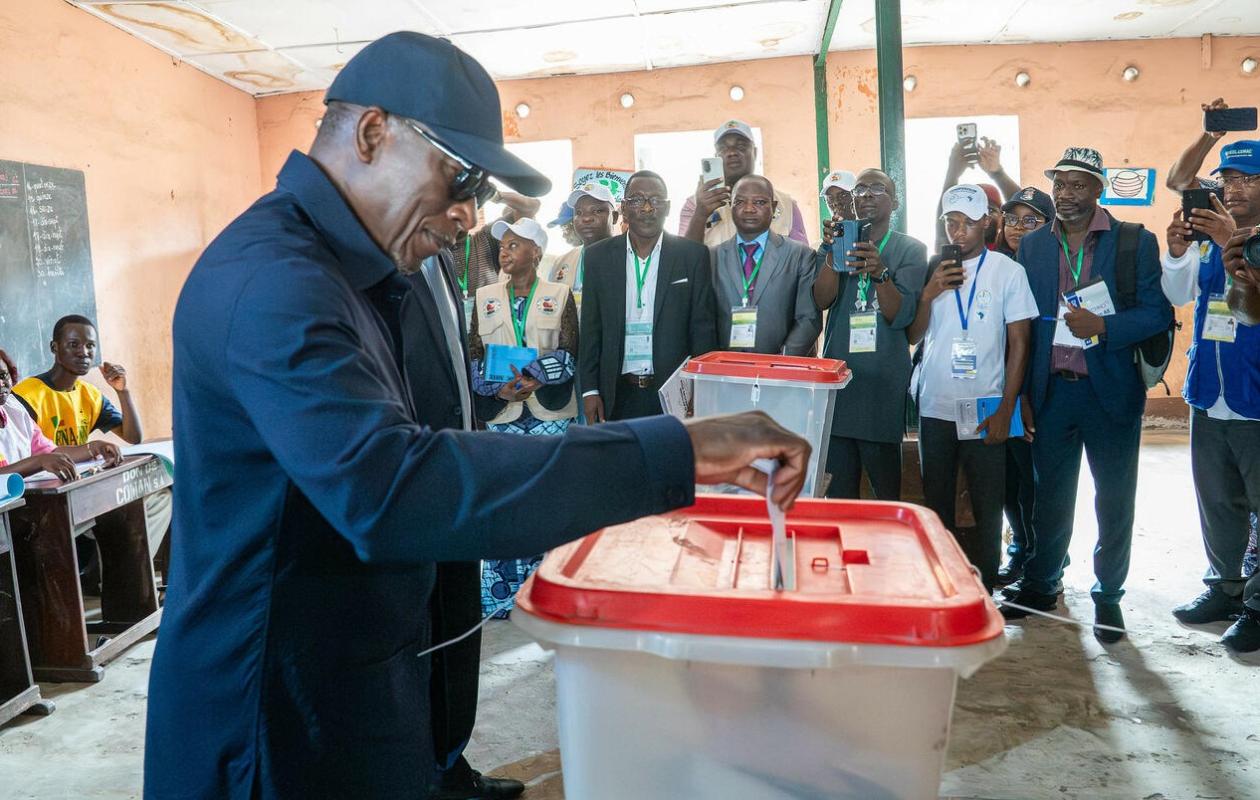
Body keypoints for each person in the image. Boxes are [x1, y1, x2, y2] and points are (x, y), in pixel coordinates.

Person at [143, 33, 809, 800]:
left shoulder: (357, 270)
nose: (470, 216)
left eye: (482, 195)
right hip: (269, 720)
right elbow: (393, 487)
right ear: (372, 134)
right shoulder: (275, 282)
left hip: (352, 684)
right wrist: (680, 450)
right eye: (462, 180)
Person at [1003, 147, 1173, 643]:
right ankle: (1042, 583)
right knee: (1050, 497)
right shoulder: (1033, 247)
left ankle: (1109, 595)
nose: (1067, 194)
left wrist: (1105, 326)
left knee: (1114, 499)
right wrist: (1027, 395)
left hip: (1110, 394)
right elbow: (1028, 325)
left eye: (1078, 185)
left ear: (1098, 190)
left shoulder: (1132, 242)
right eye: (1060, 185)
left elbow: (1157, 314)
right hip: (1054, 391)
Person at [906, 185, 1037, 589]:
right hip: (935, 405)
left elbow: (1020, 344)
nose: (957, 232)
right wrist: (928, 296)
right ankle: (941, 582)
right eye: (951, 223)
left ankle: (983, 585)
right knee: (937, 500)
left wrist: (1005, 410)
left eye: (967, 223)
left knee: (987, 502)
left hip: (986, 407)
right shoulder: (934, 268)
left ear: (987, 223)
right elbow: (913, 335)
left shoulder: (1008, 272)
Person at [1161, 139, 1260, 653]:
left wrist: (1237, 241)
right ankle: (1225, 588)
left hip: (1255, 393)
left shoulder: (1245, 237)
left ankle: (1259, 608)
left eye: (1247, 179)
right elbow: (1179, 295)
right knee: (1218, 500)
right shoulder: (1206, 235)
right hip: (1208, 391)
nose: (1234, 188)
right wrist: (1179, 252)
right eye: (1228, 180)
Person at [470, 218, 579, 619]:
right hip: (502, 411)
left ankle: (546, 595)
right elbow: (473, 354)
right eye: (502, 246)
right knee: (502, 500)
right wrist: (494, 389)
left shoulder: (559, 293)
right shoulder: (484, 297)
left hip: (548, 412)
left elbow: (569, 350)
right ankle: (500, 597)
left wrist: (535, 376)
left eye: (515, 245)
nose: (505, 252)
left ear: (536, 252)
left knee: (546, 500)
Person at [813, 168, 927, 500]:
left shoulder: (910, 249)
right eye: (860, 189)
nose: (865, 195)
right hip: (840, 382)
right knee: (839, 494)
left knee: (886, 492)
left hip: (883, 385)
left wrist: (879, 272)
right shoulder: (835, 243)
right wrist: (833, 254)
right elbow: (822, 299)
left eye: (876, 189)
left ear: (894, 202)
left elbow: (901, 317)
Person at [579, 170, 719, 422]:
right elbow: (590, 328)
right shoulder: (598, 257)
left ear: (667, 208)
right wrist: (590, 390)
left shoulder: (692, 255)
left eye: (655, 200)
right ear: (623, 208)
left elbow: (702, 329)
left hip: (674, 389)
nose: (646, 208)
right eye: (636, 200)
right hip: (616, 390)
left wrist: (701, 389)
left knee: (670, 460)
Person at [993, 186, 1054, 585]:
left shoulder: (1051, 266)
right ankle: (1019, 551)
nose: (1018, 227)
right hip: (998, 390)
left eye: (1030, 220)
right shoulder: (994, 263)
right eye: (1012, 218)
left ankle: (1043, 559)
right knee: (1007, 481)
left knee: (1036, 481)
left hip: (1036, 391)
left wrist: (1028, 394)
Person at [710, 175, 820, 355]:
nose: (749, 209)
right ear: (731, 206)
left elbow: (808, 318)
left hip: (780, 373)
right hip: (726, 371)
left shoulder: (800, 255)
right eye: (739, 202)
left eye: (759, 202)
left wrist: (781, 362)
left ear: (774, 207)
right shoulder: (712, 258)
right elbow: (705, 319)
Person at [13, 315, 142, 446]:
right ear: (54, 347)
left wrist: (123, 392)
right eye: (73, 344)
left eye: (90, 345)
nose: (84, 352)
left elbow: (133, 437)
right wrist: (88, 449)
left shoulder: (90, 395)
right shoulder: (26, 396)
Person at [678, 119, 809, 247]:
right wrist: (700, 215)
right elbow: (684, 260)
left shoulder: (786, 205)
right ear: (715, 156)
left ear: (755, 153)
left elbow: (803, 260)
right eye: (723, 148)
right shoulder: (694, 205)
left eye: (741, 146)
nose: (732, 152)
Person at [0, 355, 122, 479]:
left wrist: (94, 448)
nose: (1, 383)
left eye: (3, 375)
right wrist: (39, 462)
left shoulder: (14, 409)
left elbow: (52, 452)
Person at [445, 191, 541, 327]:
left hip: (493, 332)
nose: (460, 215)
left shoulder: (486, 238)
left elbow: (531, 207)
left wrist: (493, 195)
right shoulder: (432, 254)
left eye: (467, 209)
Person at [935, 136, 1021, 250]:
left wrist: (998, 174)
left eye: (990, 210)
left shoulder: (1010, 249)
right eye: (975, 210)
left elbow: (1022, 206)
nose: (983, 215)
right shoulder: (954, 251)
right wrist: (952, 173)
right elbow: (947, 215)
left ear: (1002, 216)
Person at [549, 182, 619, 311]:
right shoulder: (561, 263)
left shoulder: (627, 258)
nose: (586, 218)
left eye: (597, 211)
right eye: (579, 212)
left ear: (614, 217)